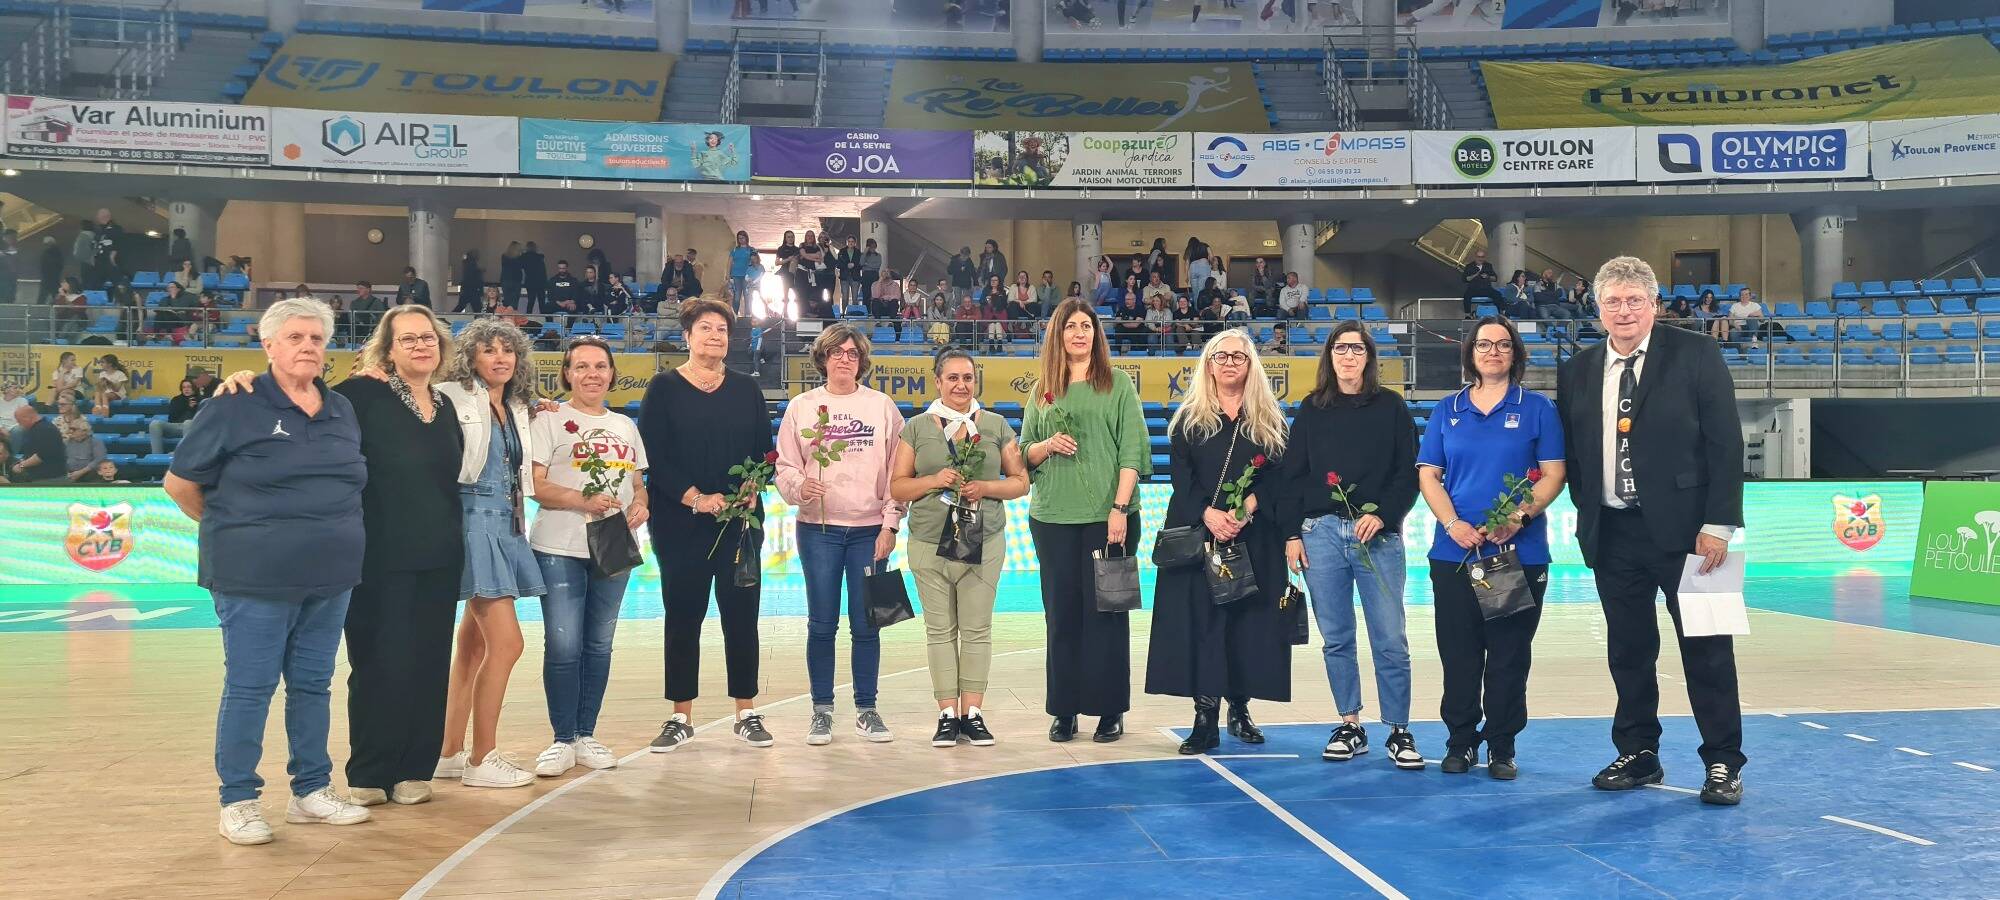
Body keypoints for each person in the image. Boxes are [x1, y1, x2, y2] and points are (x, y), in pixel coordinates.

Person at [162, 297, 373, 845]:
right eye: (296, 337)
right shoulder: (234, 403)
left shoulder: (340, 408)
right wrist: (243, 529)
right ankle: (239, 800)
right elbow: (180, 484)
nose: (308, 347)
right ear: (268, 344)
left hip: (332, 575)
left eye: (317, 339)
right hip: (253, 577)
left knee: (312, 685)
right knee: (251, 687)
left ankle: (311, 791)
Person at [1556, 256, 1745, 806]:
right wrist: (1587, 512)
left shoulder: (1697, 354)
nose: (1623, 310)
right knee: (1629, 652)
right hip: (1614, 535)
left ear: (1654, 306)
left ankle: (1723, 762)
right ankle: (1639, 752)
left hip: (1694, 538)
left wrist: (1718, 525)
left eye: (1634, 300)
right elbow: (1576, 454)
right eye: (1612, 301)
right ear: (1598, 309)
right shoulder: (1579, 370)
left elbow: (1726, 445)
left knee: (1708, 652)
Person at [1415, 316, 1568, 780]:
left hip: (1518, 556)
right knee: (1459, 654)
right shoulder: (1448, 408)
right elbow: (1428, 476)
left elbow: (1554, 473)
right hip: (1454, 553)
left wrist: (1518, 517)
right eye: (1484, 344)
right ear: (1471, 353)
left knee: (1509, 654)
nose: (1493, 351)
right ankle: (1460, 741)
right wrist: (1453, 523)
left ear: (1516, 353)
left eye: (1503, 344)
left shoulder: (1538, 408)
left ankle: (1502, 745)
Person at [1281, 321, 1424, 770]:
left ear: (1368, 357)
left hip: (1376, 539)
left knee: (1390, 638)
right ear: (1330, 356)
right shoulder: (1311, 409)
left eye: (1356, 349)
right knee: (1337, 638)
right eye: (1341, 348)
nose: (1348, 356)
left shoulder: (1392, 408)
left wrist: (1383, 515)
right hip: (1320, 535)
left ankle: (1399, 729)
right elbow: (1292, 476)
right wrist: (1291, 534)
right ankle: (1350, 723)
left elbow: (1408, 474)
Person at [341, 305, 467, 807]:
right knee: (379, 661)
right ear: (387, 350)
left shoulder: (446, 405)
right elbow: (300, 402)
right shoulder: (361, 395)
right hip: (379, 556)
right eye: (409, 339)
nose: (421, 346)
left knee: (430, 662)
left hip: (440, 554)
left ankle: (416, 768)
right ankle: (370, 770)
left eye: (429, 339)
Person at [639, 299, 778, 752]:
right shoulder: (662, 389)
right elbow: (654, 458)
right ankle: (681, 715)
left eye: (722, 329)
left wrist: (755, 485)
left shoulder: (746, 389)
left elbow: (764, 451)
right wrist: (696, 498)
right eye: (705, 328)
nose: (715, 335)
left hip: (739, 523)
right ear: (688, 336)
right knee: (683, 618)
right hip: (679, 523)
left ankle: (747, 711)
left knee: (743, 618)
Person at [1146, 329, 1292, 755]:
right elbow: (1181, 480)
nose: (1230, 363)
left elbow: (1281, 478)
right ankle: (1204, 715)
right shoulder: (1188, 420)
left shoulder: (1271, 421)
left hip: (1254, 537)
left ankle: (1240, 708)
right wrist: (1208, 514)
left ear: (1251, 366)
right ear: (1208, 364)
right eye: (1221, 355)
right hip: (1200, 536)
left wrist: (1249, 506)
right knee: (1203, 627)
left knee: (1246, 624)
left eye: (1239, 357)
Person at [421, 319, 545, 791]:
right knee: (508, 644)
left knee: (471, 648)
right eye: (489, 350)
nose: (500, 358)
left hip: (507, 522)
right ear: (470, 357)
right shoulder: (449, 395)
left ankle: (450, 752)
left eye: (508, 350)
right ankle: (483, 757)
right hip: (472, 520)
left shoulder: (515, 405)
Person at [1021, 298, 1151, 743]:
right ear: (1057, 335)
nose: (1079, 333)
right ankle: (1065, 708)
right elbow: (1024, 454)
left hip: (1107, 518)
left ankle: (1110, 709)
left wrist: (1119, 508)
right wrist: (1046, 445)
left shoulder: (1116, 384)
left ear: (1097, 334)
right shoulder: (1041, 391)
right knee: (1061, 616)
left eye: (1087, 326)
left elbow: (1133, 451)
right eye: (1070, 326)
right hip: (1052, 518)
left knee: (1106, 616)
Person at [775, 325, 907, 745]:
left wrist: (890, 523)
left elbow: (897, 471)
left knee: (867, 623)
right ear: (823, 358)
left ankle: (867, 708)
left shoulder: (882, 407)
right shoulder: (802, 406)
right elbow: (785, 466)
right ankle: (822, 710)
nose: (844, 358)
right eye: (836, 352)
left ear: (861, 360)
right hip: (819, 530)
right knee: (822, 622)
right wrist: (799, 488)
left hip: (869, 530)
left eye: (852, 353)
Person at [890, 346, 1028, 747]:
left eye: (967, 378)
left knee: (977, 629)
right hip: (929, 542)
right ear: (938, 382)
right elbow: (898, 486)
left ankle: (974, 713)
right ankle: (947, 714)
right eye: (952, 377)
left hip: (983, 541)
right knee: (940, 630)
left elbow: (1020, 482)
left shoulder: (997, 425)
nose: (961, 385)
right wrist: (935, 480)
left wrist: (984, 487)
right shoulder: (915, 427)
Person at [527, 336, 649, 776]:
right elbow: (536, 485)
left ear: (612, 373)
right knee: (564, 644)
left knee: (599, 644)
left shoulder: (625, 426)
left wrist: (641, 502)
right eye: (581, 367)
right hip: (558, 546)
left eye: (600, 366)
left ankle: (585, 734)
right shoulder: (550, 419)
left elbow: (635, 481)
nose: (591, 374)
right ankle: (561, 739)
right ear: (566, 374)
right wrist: (582, 499)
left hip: (613, 542)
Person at [10, 405, 67, 483]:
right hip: (41, 478)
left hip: (49, 479)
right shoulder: (37, 429)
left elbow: (41, 456)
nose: (19, 424)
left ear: (27, 418)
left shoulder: (44, 430)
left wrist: (21, 465)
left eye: (19, 421)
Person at [151, 377, 203, 454]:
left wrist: (192, 408)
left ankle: (183, 454)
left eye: (189, 387)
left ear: (194, 388)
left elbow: (202, 419)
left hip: (192, 428)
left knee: (188, 422)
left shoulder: (200, 400)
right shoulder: (176, 400)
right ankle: (156, 455)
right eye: (184, 387)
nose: (186, 389)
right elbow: (172, 418)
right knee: (154, 424)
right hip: (175, 426)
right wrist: (187, 407)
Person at [60, 417, 107, 482]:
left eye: (73, 429)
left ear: (84, 431)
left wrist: (81, 472)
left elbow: (100, 459)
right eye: (70, 428)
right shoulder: (67, 442)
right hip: (69, 474)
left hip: (89, 475)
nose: (70, 431)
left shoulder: (95, 442)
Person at [1461, 250, 1501, 317]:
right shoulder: (1469, 266)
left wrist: (1488, 277)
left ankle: (1501, 313)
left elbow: (1495, 278)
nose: (1480, 259)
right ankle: (1467, 315)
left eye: (1482, 257)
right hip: (1473, 289)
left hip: (1486, 289)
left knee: (1497, 295)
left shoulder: (1488, 266)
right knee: (1466, 296)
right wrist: (1474, 275)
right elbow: (1464, 279)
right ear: (1475, 257)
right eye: (1479, 257)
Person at [520, 242, 548, 315]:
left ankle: (528, 318)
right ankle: (544, 318)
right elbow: (543, 271)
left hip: (530, 281)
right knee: (542, 301)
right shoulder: (540, 257)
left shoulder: (524, 257)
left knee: (531, 301)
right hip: (540, 282)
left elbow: (521, 267)